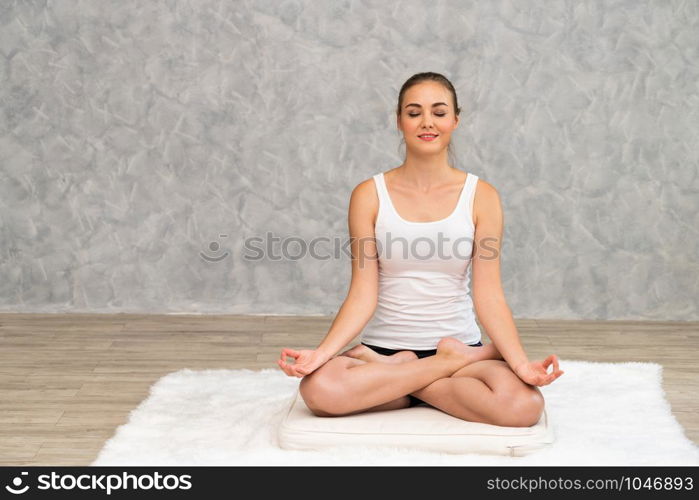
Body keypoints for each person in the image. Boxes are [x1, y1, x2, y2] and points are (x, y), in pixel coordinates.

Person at [277, 72, 564, 427]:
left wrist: (519, 363)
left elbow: (488, 294)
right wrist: (322, 354)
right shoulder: (369, 194)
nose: (427, 122)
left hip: (462, 350)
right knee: (319, 391)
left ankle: (404, 380)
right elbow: (362, 293)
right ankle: (439, 366)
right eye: (414, 113)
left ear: (455, 120)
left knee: (522, 407)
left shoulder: (482, 197)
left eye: (439, 112)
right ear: (399, 121)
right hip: (388, 350)